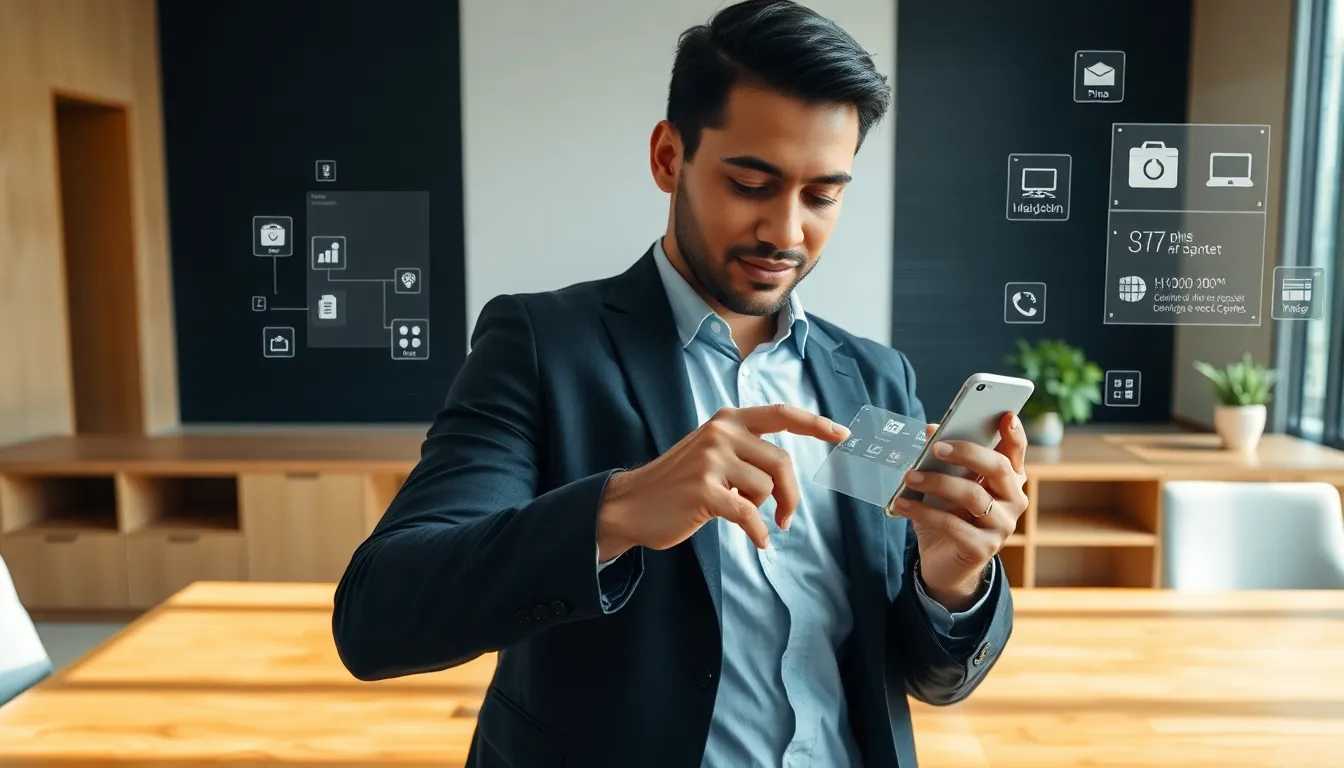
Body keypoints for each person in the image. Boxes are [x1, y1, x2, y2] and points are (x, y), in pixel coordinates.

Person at [331, 2, 1028, 766]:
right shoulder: (540, 347)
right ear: (669, 157)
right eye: (750, 182)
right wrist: (617, 510)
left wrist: (953, 578)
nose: (787, 233)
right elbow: (376, 619)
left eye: (823, 195)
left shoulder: (872, 379)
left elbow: (926, 676)